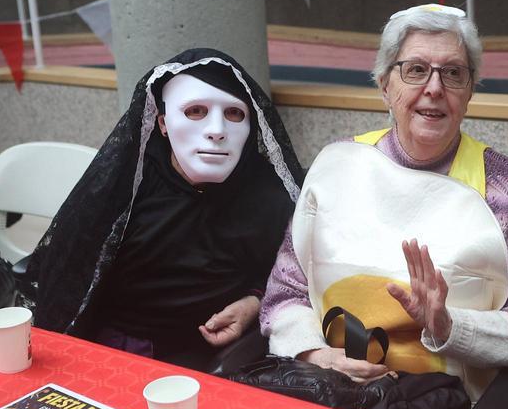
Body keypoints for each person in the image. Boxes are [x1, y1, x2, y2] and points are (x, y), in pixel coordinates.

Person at [261, 3, 508, 409]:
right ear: (385, 86)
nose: (435, 88)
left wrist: (447, 326)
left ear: (470, 91)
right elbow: (284, 295)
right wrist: (319, 356)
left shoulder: (501, 186)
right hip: (328, 399)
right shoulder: (336, 167)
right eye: (416, 70)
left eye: (454, 74)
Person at [26, 49, 304, 371]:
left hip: (211, 359)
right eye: (195, 111)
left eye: (234, 114)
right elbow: (72, 272)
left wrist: (253, 302)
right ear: (163, 123)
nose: (216, 130)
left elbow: (292, 275)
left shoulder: (268, 196)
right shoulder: (126, 188)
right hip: (112, 350)